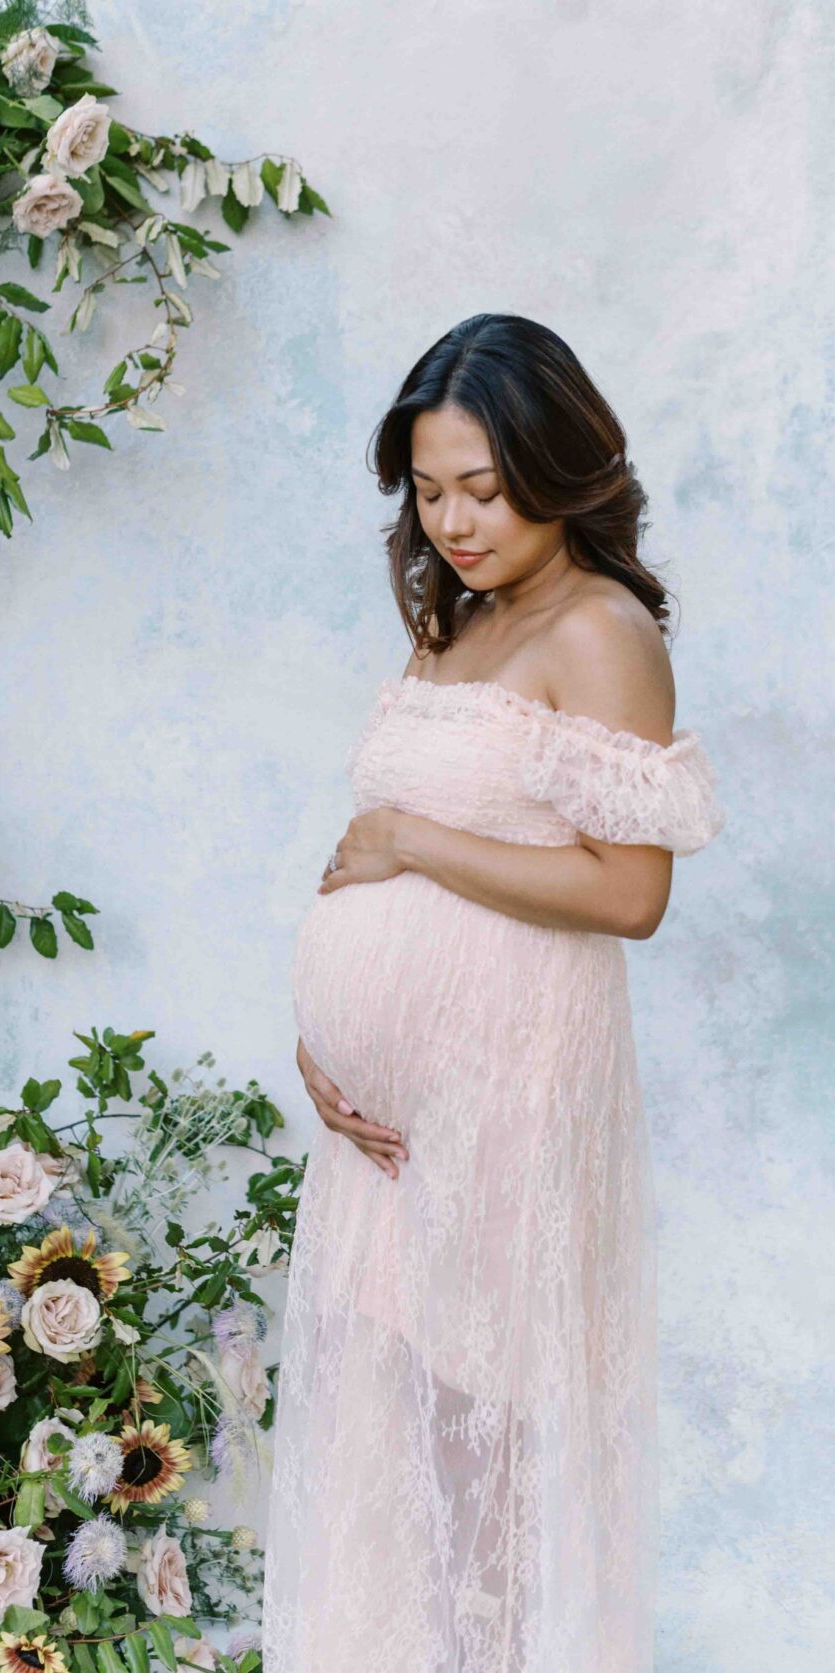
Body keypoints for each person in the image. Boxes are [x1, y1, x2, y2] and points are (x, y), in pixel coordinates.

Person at [260, 314, 726, 1673]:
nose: (451, 519)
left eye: (482, 486)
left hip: (507, 1108)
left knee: (474, 1475)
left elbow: (628, 892)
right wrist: (326, 1036)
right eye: (426, 488)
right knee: (381, 1462)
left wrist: (413, 846)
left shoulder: (598, 628)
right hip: (387, 1134)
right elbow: (376, 862)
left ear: (559, 465)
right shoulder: (456, 619)